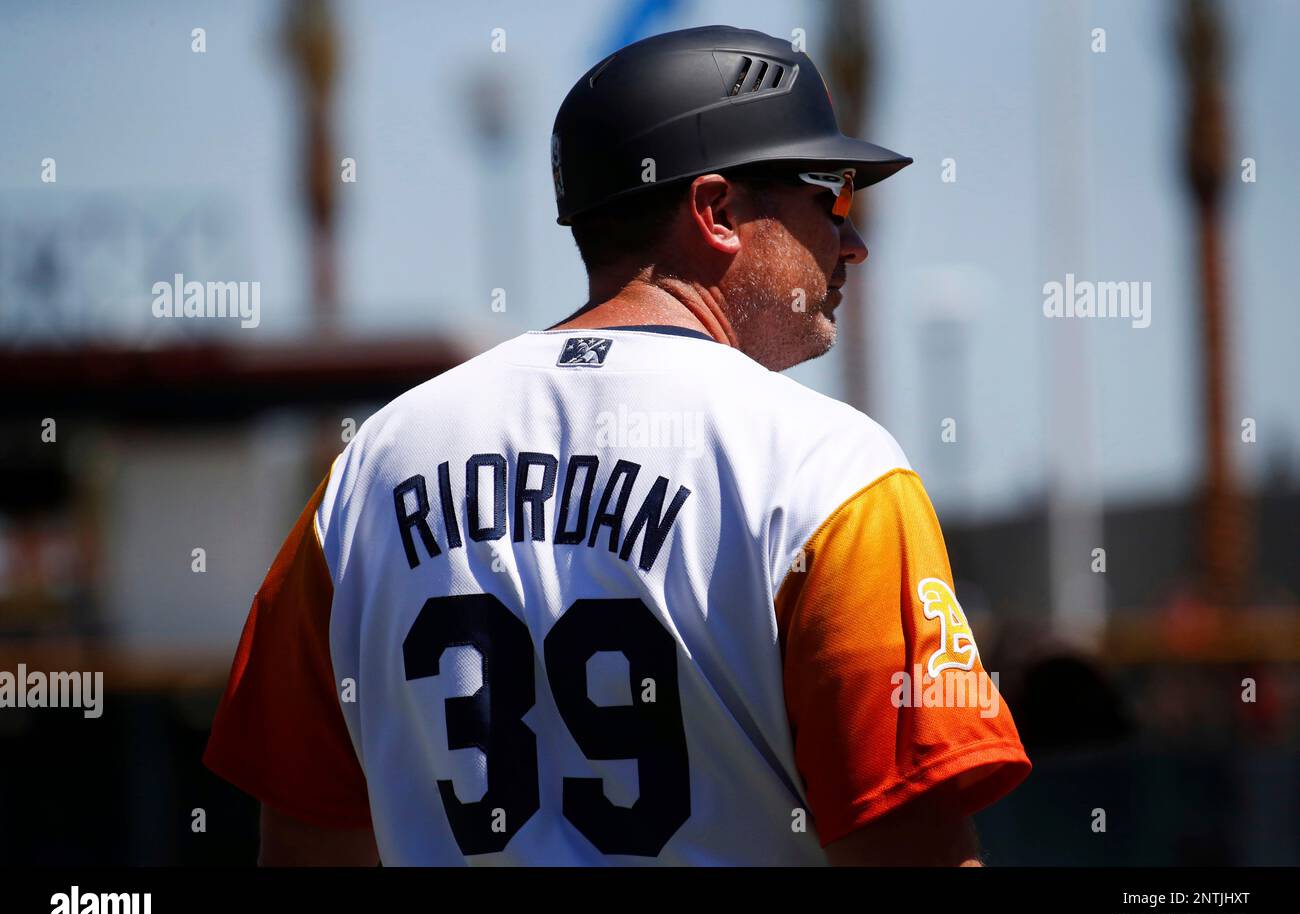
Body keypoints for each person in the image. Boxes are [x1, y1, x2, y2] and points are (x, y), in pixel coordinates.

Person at [204, 24, 1030, 866]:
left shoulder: (368, 471)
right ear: (715, 213)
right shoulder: (829, 471)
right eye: (832, 194)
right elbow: (913, 849)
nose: (853, 239)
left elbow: (304, 841)